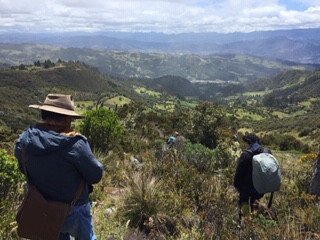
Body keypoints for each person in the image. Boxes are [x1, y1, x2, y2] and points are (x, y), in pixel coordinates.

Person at [15, 94, 104, 240]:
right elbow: (95, 175)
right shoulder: (76, 144)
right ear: (68, 119)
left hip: (42, 206)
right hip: (74, 209)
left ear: (44, 114)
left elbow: (22, 167)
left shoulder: (25, 138)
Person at [233, 133, 271, 213]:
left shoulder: (246, 154)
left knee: (244, 204)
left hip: (246, 188)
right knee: (255, 204)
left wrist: (236, 185)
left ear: (248, 142)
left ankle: (245, 222)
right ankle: (255, 221)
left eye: (245, 143)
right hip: (260, 187)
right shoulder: (267, 152)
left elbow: (239, 172)